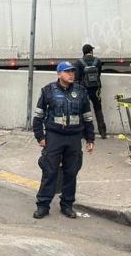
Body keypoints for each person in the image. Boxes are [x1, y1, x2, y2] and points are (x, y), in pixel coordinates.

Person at [32, 61, 95, 219]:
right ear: (59, 74)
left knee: (71, 172)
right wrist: (40, 136)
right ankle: (43, 205)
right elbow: (38, 116)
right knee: (50, 170)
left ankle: (67, 205)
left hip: (74, 137)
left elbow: (87, 117)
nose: (71, 74)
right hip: (54, 136)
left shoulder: (81, 91)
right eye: (67, 72)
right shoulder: (48, 91)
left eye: (72, 71)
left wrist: (90, 138)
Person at [74, 44, 107, 139]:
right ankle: (103, 132)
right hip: (96, 89)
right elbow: (99, 74)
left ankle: (84, 133)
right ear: (91, 51)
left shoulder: (79, 62)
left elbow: (76, 78)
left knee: (83, 110)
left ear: (83, 52)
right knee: (98, 109)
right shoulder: (98, 61)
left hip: (84, 90)